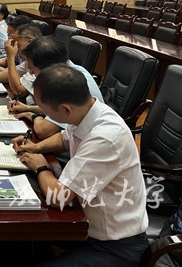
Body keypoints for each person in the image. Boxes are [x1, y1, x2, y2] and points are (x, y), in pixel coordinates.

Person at [13, 64, 149, 266]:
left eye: (45, 110)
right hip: (86, 228)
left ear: (65, 109)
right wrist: (35, 147)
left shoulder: (105, 137)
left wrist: (41, 167)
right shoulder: (88, 111)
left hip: (115, 247)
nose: (42, 114)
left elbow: (58, 198)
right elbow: (65, 138)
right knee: (14, 244)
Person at [11, 36, 104, 140]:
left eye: (32, 70)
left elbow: (43, 131)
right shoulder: (71, 70)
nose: (31, 73)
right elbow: (56, 108)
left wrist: (34, 116)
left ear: (47, 69)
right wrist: (27, 108)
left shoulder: (67, 83)